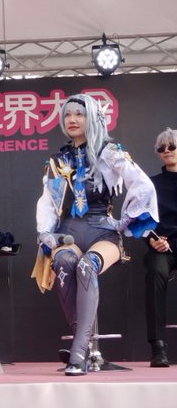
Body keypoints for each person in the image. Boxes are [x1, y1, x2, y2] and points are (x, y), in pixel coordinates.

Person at [36, 93, 158, 376]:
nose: (73, 119)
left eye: (79, 114)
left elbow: (142, 185)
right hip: (68, 232)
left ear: (92, 117)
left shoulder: (110, 152)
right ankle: (84, 347)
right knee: (64, 262)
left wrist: (124, 221)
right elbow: (48, 201)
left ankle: (78, 353)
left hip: (103, 232)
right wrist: (45, 233)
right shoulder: (58, 160)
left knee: (86, 266)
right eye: (68, 114)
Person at [144, 127, 177, 367]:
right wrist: (152, 239)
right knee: (155, 271)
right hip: (162, 246)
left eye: (172, 146)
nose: (167, 151)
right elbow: (142, 219)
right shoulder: (151, 184)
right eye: (161, 148)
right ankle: (158, 347)